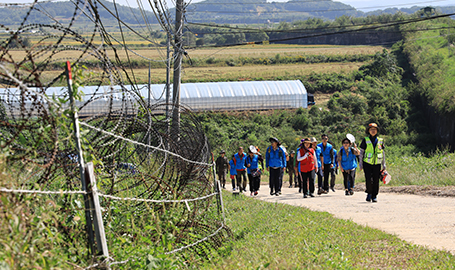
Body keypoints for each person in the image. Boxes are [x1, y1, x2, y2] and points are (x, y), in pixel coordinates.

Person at [359, 123, 386, 203]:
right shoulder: (365, 140)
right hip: (367, 163)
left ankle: (374, 196)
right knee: (368, 179)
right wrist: (360, 164)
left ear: (377, 131)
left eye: (374, 129)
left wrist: (383, 164)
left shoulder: (380, 140)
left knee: (376, 180)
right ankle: (369, 193)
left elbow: (383, 152)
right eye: (371, 130)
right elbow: (361, 153)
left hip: (377, 163)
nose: (373, 131)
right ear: (369, 131)